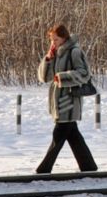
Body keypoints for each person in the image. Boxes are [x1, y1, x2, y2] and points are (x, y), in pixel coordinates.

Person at [37, 22, 98, 173]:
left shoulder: (74, 52)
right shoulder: (56, 53)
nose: (53, 43)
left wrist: (63, 78)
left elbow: (84, 74)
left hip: (69, 101)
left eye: (56, 39)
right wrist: (48, 60)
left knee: (58, 135)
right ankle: (88, 167)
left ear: (64, 38)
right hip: (58, 101)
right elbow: (44, 78)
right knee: (73, 136)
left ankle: (43, 169)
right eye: (51, 40)